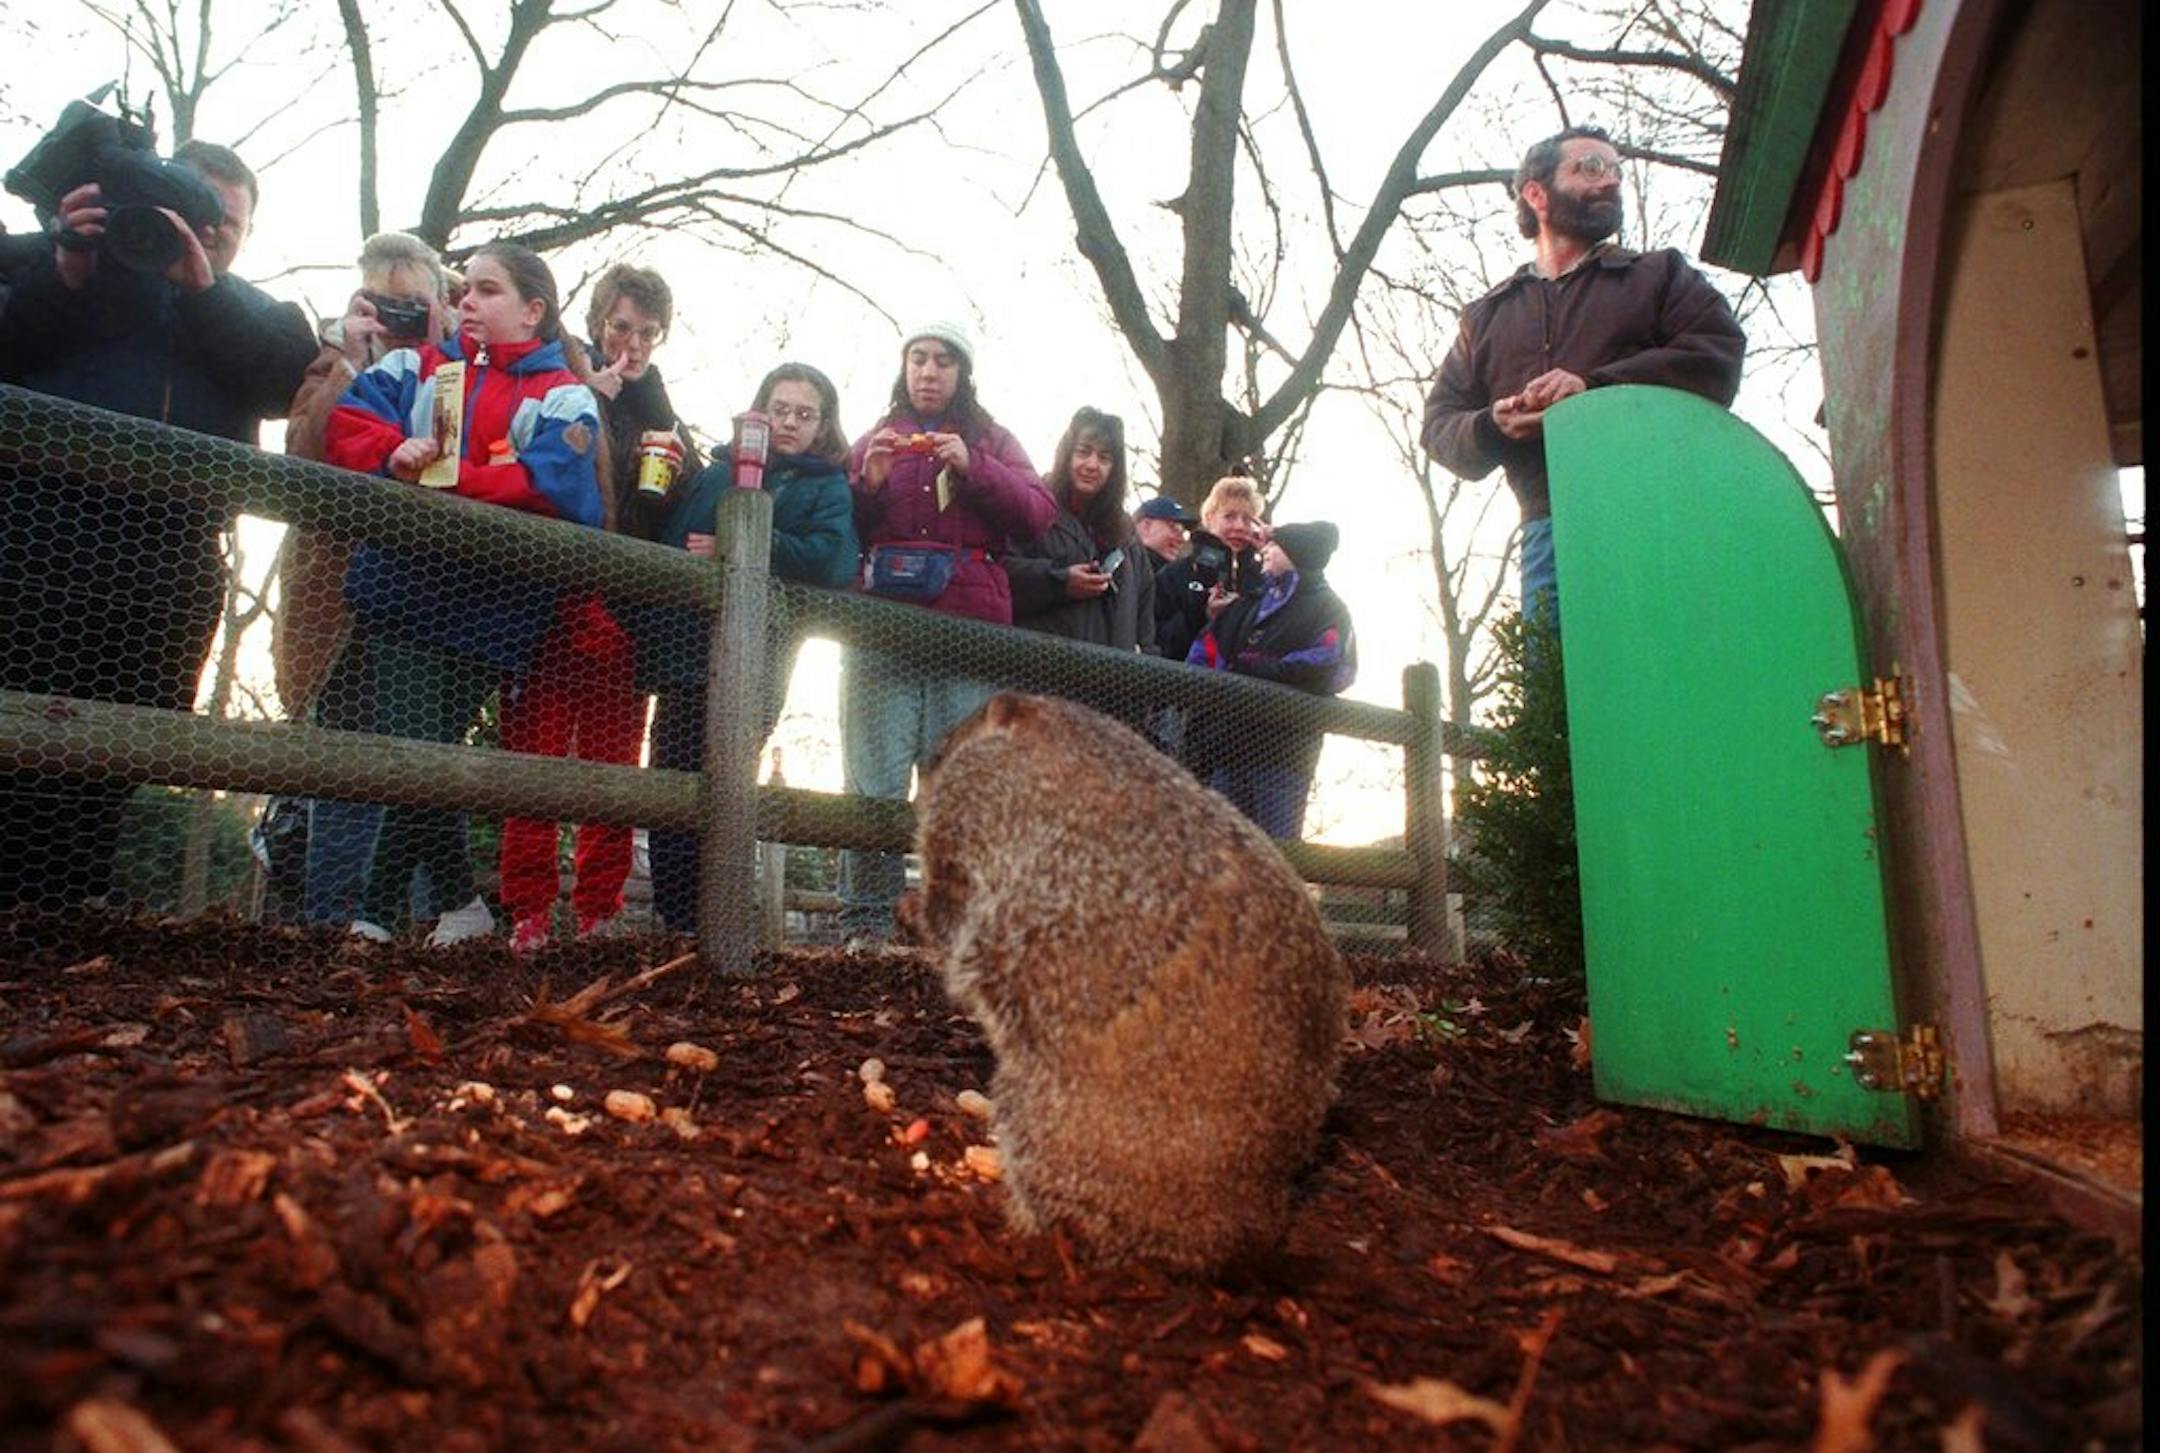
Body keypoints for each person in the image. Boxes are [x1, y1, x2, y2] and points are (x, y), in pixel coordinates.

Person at [0, 139, 317, 910]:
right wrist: (67, 270)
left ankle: (70, 905)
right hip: (40, 534)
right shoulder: (47, 261)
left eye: (224, 225)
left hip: (172, 559)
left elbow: (287, 378)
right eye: (192, 208)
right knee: (22, 722)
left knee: (127, 736)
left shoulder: (253, 312)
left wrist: (204, 290)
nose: (202, 232)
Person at [308, 241, 603, 946]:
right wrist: (391, 451)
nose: (466, 301)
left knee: (430, 749)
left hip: (495, 607)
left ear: (533, 310)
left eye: (488, 290)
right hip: (401, 585)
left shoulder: (563, 391)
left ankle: (414, 906)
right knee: (420, 746)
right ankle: (396, 910)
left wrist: (441, 474)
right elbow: (348, 425)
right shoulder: (417, 364)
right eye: (464, 288)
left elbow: (555, 483)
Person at [1421, 124, 1746, 628]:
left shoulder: (1659, 275)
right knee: (1559, 698)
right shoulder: (1486, 317)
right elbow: (1439, 426)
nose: (1611, 180)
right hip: (1547, 533)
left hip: (1661, 517)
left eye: (1615, 169)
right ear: (1537, 194)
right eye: (1590, 168)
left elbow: (1717, 354)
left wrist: (1593, 389)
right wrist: (1493, 426)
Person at [494, 263, 697, 952]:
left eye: (647, 333)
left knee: (615, 768)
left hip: (628, 612)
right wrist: (589, 398)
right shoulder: (560, 381)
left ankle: (598, 910)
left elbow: (674, 506)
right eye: (620, 327)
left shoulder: (665, 413)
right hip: (550, 603)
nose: (631, 345)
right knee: (536, 759)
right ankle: (526, 909)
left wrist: (676, 478)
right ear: (596, 322)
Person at [840, 320, 1055, 946]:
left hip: (969, 636)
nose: (928, 372)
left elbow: (1039, 515)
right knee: (872, 783)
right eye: (918, 359)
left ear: (963, 372)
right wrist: (869, 483)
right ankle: (864, 926)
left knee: (960, 787)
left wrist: (976, 466)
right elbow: (842, 529)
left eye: (942, 361)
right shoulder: (874, 439)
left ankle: (954, 933)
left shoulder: (994, 439)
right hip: (883, 630)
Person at [266, 230, 456, 926]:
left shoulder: (458, 366)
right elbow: (305, 450)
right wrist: (350, 356)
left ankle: (401, 928)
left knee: (419, 766)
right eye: (385, 302)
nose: (399, 317)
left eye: (415, 304)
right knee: (347, 764)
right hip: (341, 600)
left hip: (427, 599)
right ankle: (330, 930)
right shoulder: (331, 363)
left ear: (441, 303)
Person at [639, 362, 859, 936]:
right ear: (761, 410)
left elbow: (834, 558)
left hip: (759, 655)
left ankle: (722, 916)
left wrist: (743, 542)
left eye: (804, 414)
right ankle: (676, 918)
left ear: (823, 424)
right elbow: (677, 541)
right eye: (780, 409)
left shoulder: (825, 485)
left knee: (732, 781)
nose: (789, 423)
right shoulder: (717, 472)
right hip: (685, 647)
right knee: (672, 776)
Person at [1187, 520, 1356, 840]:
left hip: (1284, 757)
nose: (1264, 551)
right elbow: (1206, 652)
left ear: (1297, 554)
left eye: (1274, 546)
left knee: (1275, 853)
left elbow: (1333, 665)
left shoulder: (1329, 609)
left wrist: (1264, 669)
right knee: (1224, 852)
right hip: (1227, 749)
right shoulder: (1248, 603)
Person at [1005, 406, 1155, 656]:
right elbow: (1002, 575)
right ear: (1067, 454)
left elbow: (1145, 614)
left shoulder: (1127, 535)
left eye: (1104, 458)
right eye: (1084, 452)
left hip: (1113, 682)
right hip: (1041, 675)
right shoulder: (1032, 508)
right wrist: (1059, 582)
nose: (1092, 465)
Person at [1151, 474, 1265, 673]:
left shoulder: (1263, 581)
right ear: (1210, 518)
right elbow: (1158, 644)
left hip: (1248, 697)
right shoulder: (1174, 575)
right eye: (1229, 516)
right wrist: (1202, 615)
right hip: (1185, 691)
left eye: (1247, 519)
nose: (1239, 526)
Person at [1134, 494, 1195, 571]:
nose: (1182, 540)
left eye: (1183, 532)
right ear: (1146, 527)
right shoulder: (1123, 568)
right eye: (1174, 528)